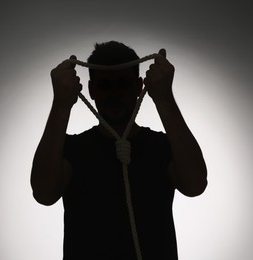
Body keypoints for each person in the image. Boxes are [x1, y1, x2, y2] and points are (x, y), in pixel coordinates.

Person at [31, 41, 207, 259]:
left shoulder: (163, 147)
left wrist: (164, 97)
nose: (114, 93)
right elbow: (43, 193)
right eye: (105, 85)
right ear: (91, 90)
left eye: (123, 84)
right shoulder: (70, 149)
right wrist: (61, 103)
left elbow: (195, 184)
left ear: (139, 87)